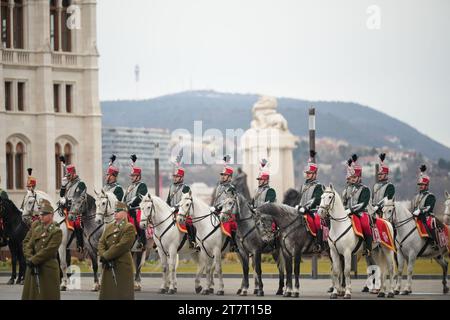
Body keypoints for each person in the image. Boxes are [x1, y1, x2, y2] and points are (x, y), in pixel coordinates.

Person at [22, 199, 62, 300]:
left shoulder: (56, 230)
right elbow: (28, 243)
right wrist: (29, 257)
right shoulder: (36, 227)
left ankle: (80, 244)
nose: (40, 215)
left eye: (43, 213)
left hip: (47, 266)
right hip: (34, 264)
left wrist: (33, 260)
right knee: (33, 295)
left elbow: (49, 250)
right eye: (40, 212)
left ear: (51, 215)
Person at [98, 201, 136, 300]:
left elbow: (122, 246)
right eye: (114, 211)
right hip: (108, 264)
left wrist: (106, 255)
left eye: (118, 211)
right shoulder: (109, 226)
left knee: (122, 294)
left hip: (121, 265)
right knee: (108, 294)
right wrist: (103, 255)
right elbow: (101, 242)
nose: (115, 213)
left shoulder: (129, 227)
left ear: (125, 212)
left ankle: (142, 241)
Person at [342, 155, 372, 257]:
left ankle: (368, 247)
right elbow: (344, 203)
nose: (352, 179)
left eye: (354, 177)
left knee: (365, 225)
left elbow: (363, 204)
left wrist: (351, 210)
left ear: (359, 177)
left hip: (361, 213)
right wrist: (344, 210)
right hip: (348, 213)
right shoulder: (346, 190)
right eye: (351, 177)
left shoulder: (365, 189)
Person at [296, 151, 324, 252]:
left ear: (315, 174)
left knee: (317, 222)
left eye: (310, 173)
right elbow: (300, 198)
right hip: (302, 210)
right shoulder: (303, 186)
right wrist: (298, 206)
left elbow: (316, 199)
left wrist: (306, 208)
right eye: (307, 173)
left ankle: (319, 244)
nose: (307, 175)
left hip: (313, 211)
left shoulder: (319, 186)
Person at [167, 167, 199, 251]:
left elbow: (184, 201)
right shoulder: (171, 187)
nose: (175, 178)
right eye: (174, 176)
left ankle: (193, 241)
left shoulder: (186, 188)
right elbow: (168, 200)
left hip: (182, 211)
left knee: (189, 223)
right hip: (171, 211)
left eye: (177, 176)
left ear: (181, 178)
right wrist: (167, 208)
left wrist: (176, 207)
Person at [59, 164, 86, 252]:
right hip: (67, 208)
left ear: (74, 173)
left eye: (69, 175)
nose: (68, 177)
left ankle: (80, 245)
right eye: (67, 176)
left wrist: (73, 212)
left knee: (77, 223)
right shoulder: (68, 183)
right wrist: (63, 186)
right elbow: (62, 195)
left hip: (77, 210)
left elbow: (78, 200)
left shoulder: (80, 184)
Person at [211, 164, 238, 252]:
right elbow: (216, 200)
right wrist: (213, 207)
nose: (223, 177)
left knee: (232, 224)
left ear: (230, 177)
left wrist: (217, 208)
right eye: (222, 175)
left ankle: (234, 244)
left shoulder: (231, 188)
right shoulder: (219, 187)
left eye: (225, 175)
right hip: (216, 210)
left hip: (227, 213)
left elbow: (229, 202)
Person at [124, 155, 148, 250]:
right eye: (132, 176)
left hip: (138, 209)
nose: (132, 178)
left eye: (134, 176)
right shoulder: (130, 187)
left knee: (139, 222)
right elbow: (124, 198)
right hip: (128, 209)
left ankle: (142, 241)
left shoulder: (142, 186)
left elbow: (139, 197)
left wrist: (129, 204)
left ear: (138, 176)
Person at [412, 165, 438, 250]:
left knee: (429, 223)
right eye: (420, 184)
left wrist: (420, 211)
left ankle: (434, 241)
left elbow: (429, 207)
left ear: (427, 185)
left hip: (427, 216)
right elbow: (414, 206)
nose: (420, 186)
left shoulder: (430, 196)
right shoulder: (416, 196)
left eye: (422, 184)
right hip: (416, 216)